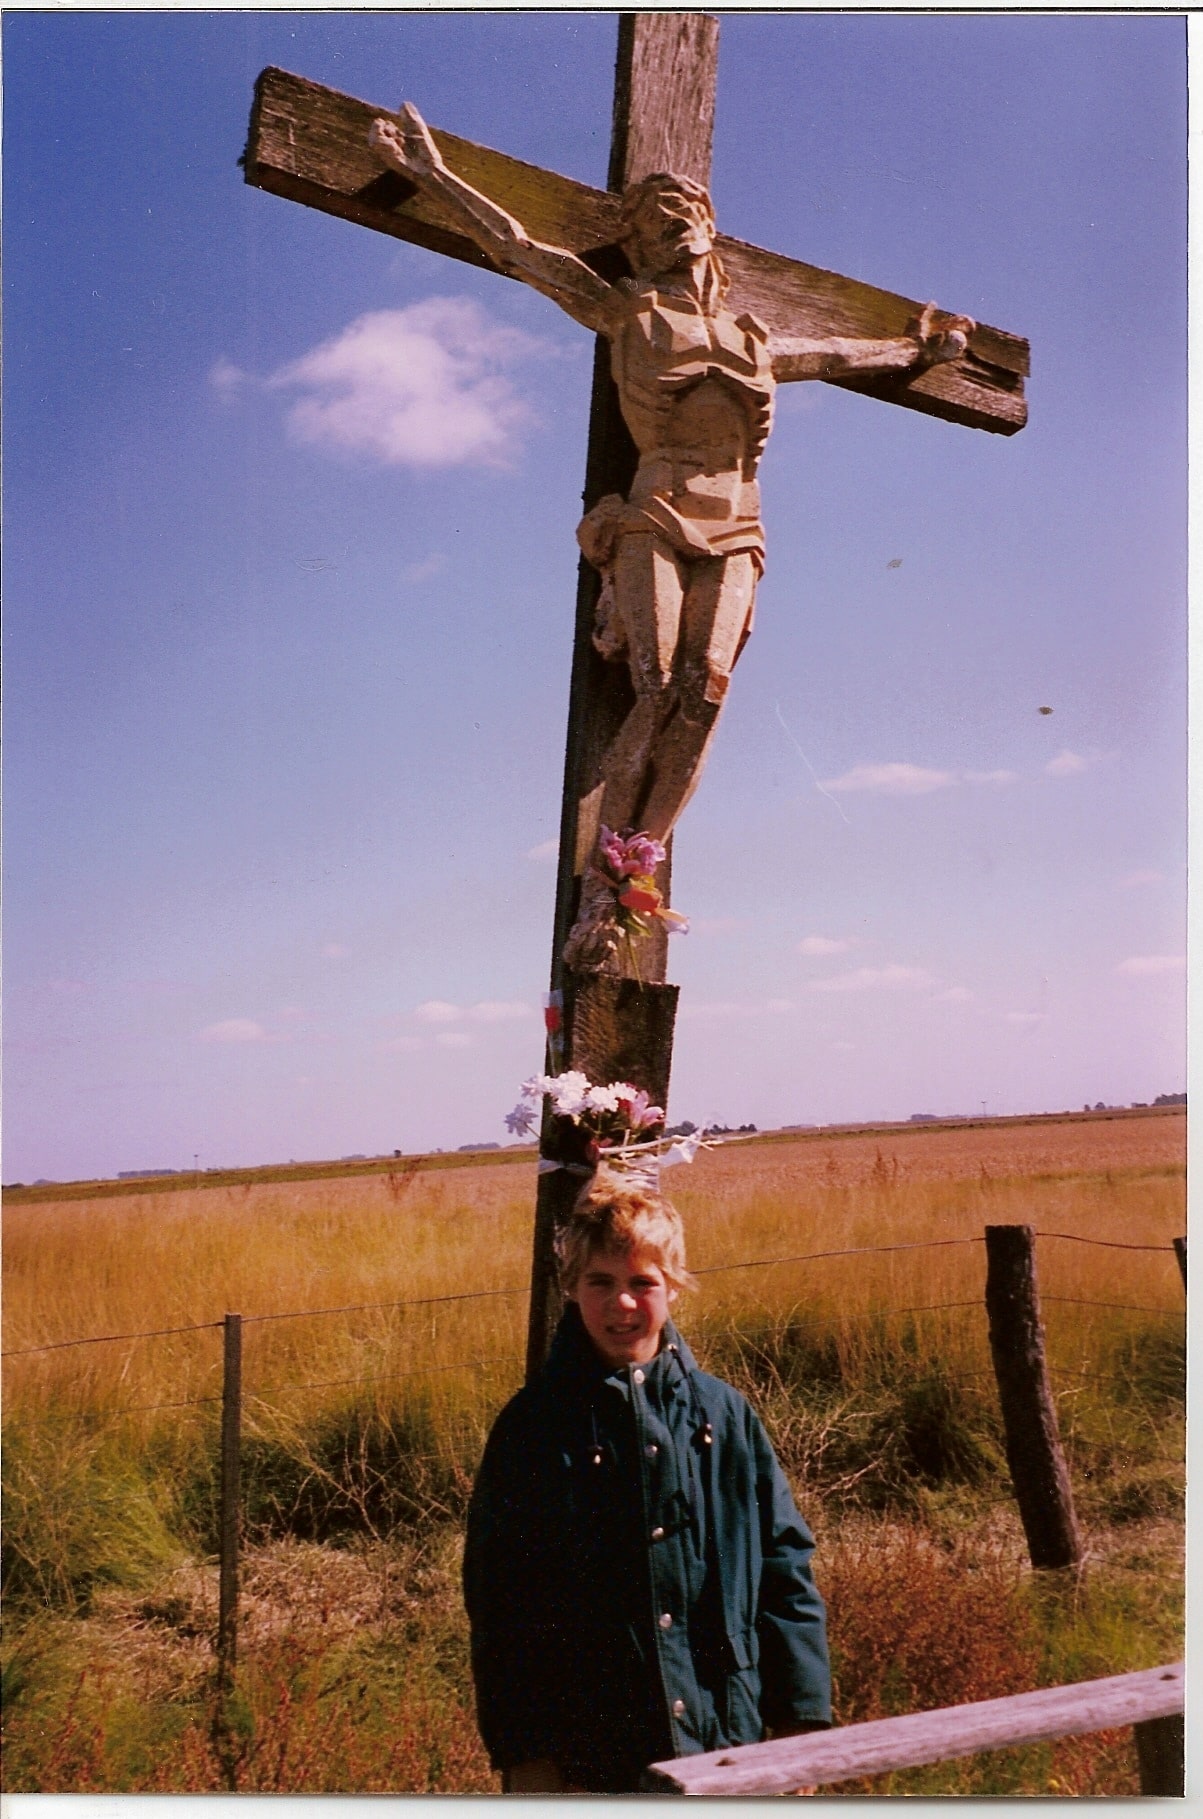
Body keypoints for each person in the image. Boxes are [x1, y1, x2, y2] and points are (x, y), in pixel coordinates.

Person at [369, 106, 973, 971]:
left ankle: (637, 864)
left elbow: (841, 355)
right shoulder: (628, 312)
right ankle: (601, 887)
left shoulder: (754, 338)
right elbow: (518, 249)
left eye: (681, 211)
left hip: (738, 520)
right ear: (637, 245)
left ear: (706, 226)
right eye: (651, 220)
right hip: (654, 510)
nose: (669, 224)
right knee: (654, 688)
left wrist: (920, 352)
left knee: (707, 688)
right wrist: (433, 175)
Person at [461, 1166, 831, 1793]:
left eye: (643, 1282)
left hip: (724, 1732)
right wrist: (527, 1756)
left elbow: (783, 1566)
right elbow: (502, 1607)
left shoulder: (722, 1415)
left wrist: (800, 1719)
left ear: (674, 1287)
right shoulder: (533, 1428)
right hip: (594, 1751)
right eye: (600, 1282)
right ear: (570, 1289)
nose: (623, 1303)